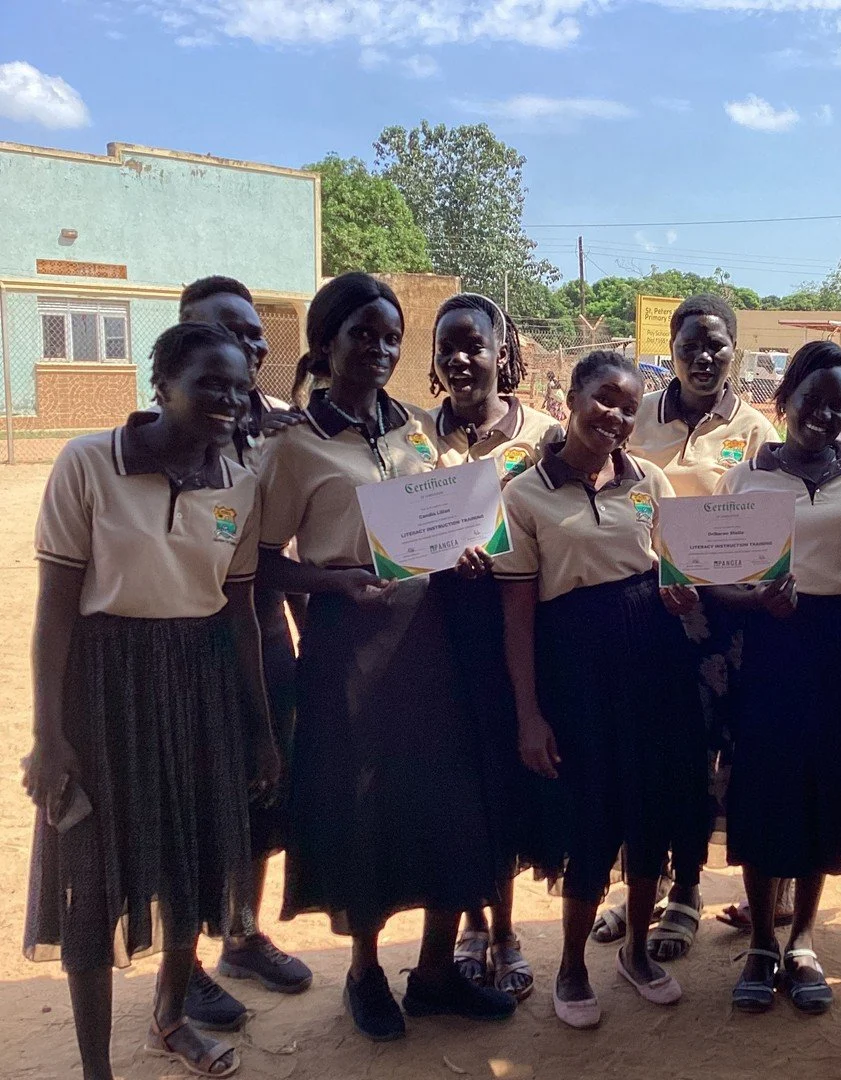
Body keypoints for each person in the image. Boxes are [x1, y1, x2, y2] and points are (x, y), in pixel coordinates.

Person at [257, 272, 515, 1041]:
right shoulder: (296, 445)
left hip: (431, 641)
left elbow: (437, 526)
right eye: (362, 334)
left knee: (447, 800)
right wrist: (334, 582)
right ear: (326, 344)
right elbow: (261, 563)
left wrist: (466, 553)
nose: (378, 348)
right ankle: (366, 973)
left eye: (390, 336)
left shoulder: (413, 433)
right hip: (349, 648)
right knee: (365, 808)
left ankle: (435, 971)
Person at [23, 322, 281, 1079]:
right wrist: (50, 734)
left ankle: (171, 1018)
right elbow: (54, 611)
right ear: (161, 385)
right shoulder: (87, 463)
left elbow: (239, 616)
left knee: (194, 859)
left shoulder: (239, 479)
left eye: (240, 387)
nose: (230, 401)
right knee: (93, 878)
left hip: (199, 682)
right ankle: (96, 1066)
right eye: (209, 383)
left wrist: (259, 732)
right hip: (105, 689)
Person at [493, 350, 708, 1029]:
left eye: (628, 407)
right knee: (590, 817)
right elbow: (519, 616)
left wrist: (679, 599)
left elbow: (673, 572)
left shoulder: (649, 481)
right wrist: (529, 714)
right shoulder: (524, 494)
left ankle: (638, 953)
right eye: (603, 399)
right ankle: (572, 966)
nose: (614, 416)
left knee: (651, 810)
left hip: (655, 666)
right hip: (577, 674)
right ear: (571, 399)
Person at [717, 340, 841, 1016]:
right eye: (813, 398)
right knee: (766, 782)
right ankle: (762, 942)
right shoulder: (744, 479)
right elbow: (721, 580)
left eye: (840, 404)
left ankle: (803, 940)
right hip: (772, 639)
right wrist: (753, 601)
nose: (824, 413)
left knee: (830, 779)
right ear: (786, 397)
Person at [614, 293, 778, 961]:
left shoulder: (755, 431)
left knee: (707, 756)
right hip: (646, 612)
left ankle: (686, 889)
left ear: (735, 352)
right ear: (670, 351)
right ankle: (639, 892)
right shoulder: (637, 420)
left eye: (716, 345)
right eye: (690, 345)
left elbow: (767, 525)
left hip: (723, 621)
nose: (703, 357)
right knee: (649, 751)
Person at [175, 276, 314, 1029]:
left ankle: (241, 933)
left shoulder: (284, 430)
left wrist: (306, 621)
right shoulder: (161, 433)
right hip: (188, 646)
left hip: (264, 636)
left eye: (257, 333)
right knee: (196, 801)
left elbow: (281, 540)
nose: (253, 345)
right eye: (231, 329)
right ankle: (183, 965)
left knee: (267, 786)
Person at [427, 291, 564, 1002]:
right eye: (447, 345)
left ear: (502, 355)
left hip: (521, 629)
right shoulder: (414, 436)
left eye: (474, 344)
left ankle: (507, 929)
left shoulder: (544, 435)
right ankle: (472, 923)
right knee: (458, 780)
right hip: (437, 635)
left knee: (508, 779)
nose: (460, 358)